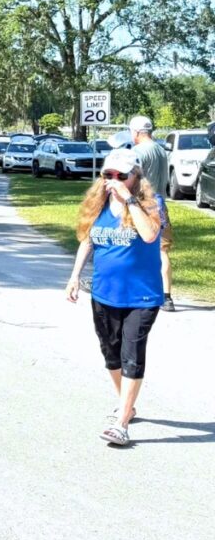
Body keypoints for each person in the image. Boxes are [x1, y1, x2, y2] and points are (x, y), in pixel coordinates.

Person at [65, 148, 164, 446]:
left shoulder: (151, 203)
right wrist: (74, 276)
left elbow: (149, 235)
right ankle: (127, 405)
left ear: (136, 176)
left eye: (122, 175)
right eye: (108, 174)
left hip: (141, 297)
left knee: (132, 353)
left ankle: (121, 424)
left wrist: (129, 199)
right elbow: (88, 240)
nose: (114, 180)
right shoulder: (98, 204)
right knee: (111, 354)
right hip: (104, 293)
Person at [130, 115, 175, 312]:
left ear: (137, 132)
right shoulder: (160, 150)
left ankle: (135, 290)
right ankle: (167, 297)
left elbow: (132, 179)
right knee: (162, 250)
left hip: (141, 204)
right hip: (160, 204)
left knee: (132, 246)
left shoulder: (138, 152)